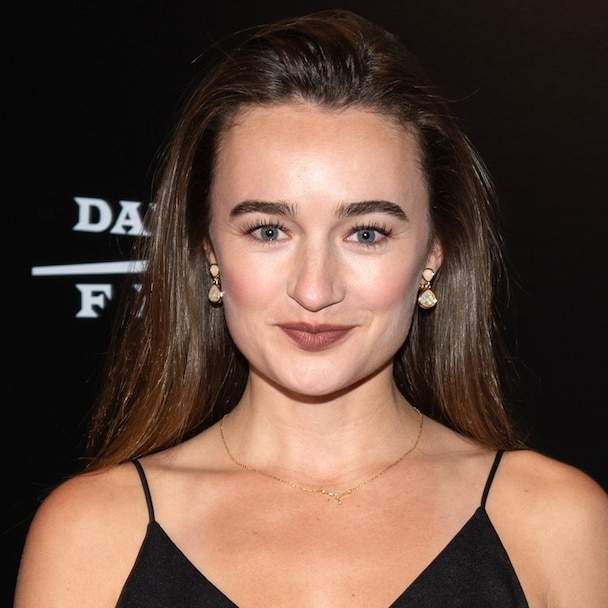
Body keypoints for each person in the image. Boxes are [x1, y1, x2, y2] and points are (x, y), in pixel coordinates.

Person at [14, 9, 608, 608]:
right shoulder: (92, 536)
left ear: (432, 254)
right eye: (269, 230)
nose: (315, 290)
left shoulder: (555, 526)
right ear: (209, 250)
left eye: (367, 233)